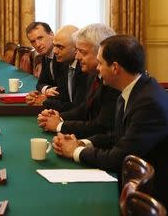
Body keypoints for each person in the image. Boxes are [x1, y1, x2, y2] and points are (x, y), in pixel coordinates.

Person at [52, 35, 168, 206]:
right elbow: (117, 136)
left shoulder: (148, 102)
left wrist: (75, 152)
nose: (97, 69)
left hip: (152, 195)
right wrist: (83, 143)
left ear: (115, 68)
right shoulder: (134, 89)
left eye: (100, 63)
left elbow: (119, 158)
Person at [37, 24, 120, 139]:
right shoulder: (93, 75)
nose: (77, 57)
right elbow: (84, 109)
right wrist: (59, 117)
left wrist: (59, 125)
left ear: (101, 52)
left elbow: (101, 126)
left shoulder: (114, 82)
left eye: (83, 52)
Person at [27, 25, 88, 112]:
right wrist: (44, 93)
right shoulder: (63, 60)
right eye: (33, 41)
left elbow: (78, 107)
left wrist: (45, 101)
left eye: (40, 38)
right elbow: (43, 84)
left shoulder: (83, 68)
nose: (37, 44)